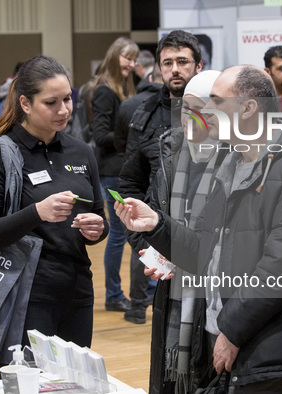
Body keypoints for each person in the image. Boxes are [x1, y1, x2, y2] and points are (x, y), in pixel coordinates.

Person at [116, 65, 282, 393]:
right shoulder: (232, 163)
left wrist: (233, 332)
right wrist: (157, 225)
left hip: (271, 340)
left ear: (249, 108)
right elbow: (208, 253)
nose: (207, 111)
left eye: (217, 102)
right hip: (229, 332)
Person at [0, 56, 108, 372]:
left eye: (67, 99)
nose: (64, 110)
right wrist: (37, 212)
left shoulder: (81, 152)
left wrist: (98, 228)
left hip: (77, 292)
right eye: (51, 102)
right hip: (25, 296)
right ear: (25, 104)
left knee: (74, 387)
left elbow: (99, 217)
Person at [118, 29, 203, 324]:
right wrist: (147, 250)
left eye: (183, 61)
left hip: (211, 248)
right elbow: (131, 186)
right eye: (167, 63)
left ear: (198, 66)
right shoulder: (144, 116)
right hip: (163, 245)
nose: (175, 69)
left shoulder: (220, 113)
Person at [144, 70, 221, 394]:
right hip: (173, 293)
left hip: (214, 296)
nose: (190, 119)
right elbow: (155, 209)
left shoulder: (237, 159)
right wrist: (153, 252)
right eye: (185, 109)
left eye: (199, 110)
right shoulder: (172, 151)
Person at [87, 37, 139, 312]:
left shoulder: (123, 86)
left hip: (122, 170)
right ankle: (114, 295)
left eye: (134, 58)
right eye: (127, 58)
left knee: (125, 234)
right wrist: (130, 136)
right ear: (114, 56)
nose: (131, 63)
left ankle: (120, 293)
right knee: (119, 235)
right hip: (112, 172)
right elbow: (99, 135)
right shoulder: (105, 90)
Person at [115, 64, 163, 153]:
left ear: (150, 79)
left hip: (133, 161)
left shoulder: (127, 104)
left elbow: (119, 143)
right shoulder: (181, 104)